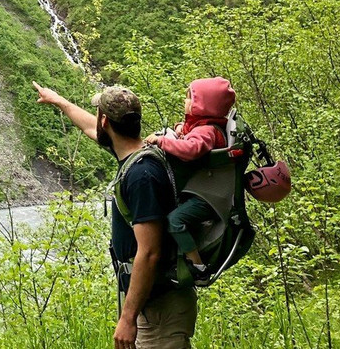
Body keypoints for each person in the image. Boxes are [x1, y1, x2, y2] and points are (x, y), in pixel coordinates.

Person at [34, 81, 197, 349]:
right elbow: (90, 126)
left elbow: (150, 252)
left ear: (106, 121)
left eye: (99, 114)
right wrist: (59, 101)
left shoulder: (141, 175)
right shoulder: (137, 155)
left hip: (161, 307)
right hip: (154, 303)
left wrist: (127, 318)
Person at [144, 76, 236, 279]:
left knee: (175, 220)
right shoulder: (207, 126)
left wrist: (162, 141)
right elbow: (192, 135)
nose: (185, 102)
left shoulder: (207, 131)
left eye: (189, 98)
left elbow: (192, 149)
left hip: (207, 197)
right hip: (207, 191)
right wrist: (180, 130)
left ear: (203, 105)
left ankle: (197, 265)